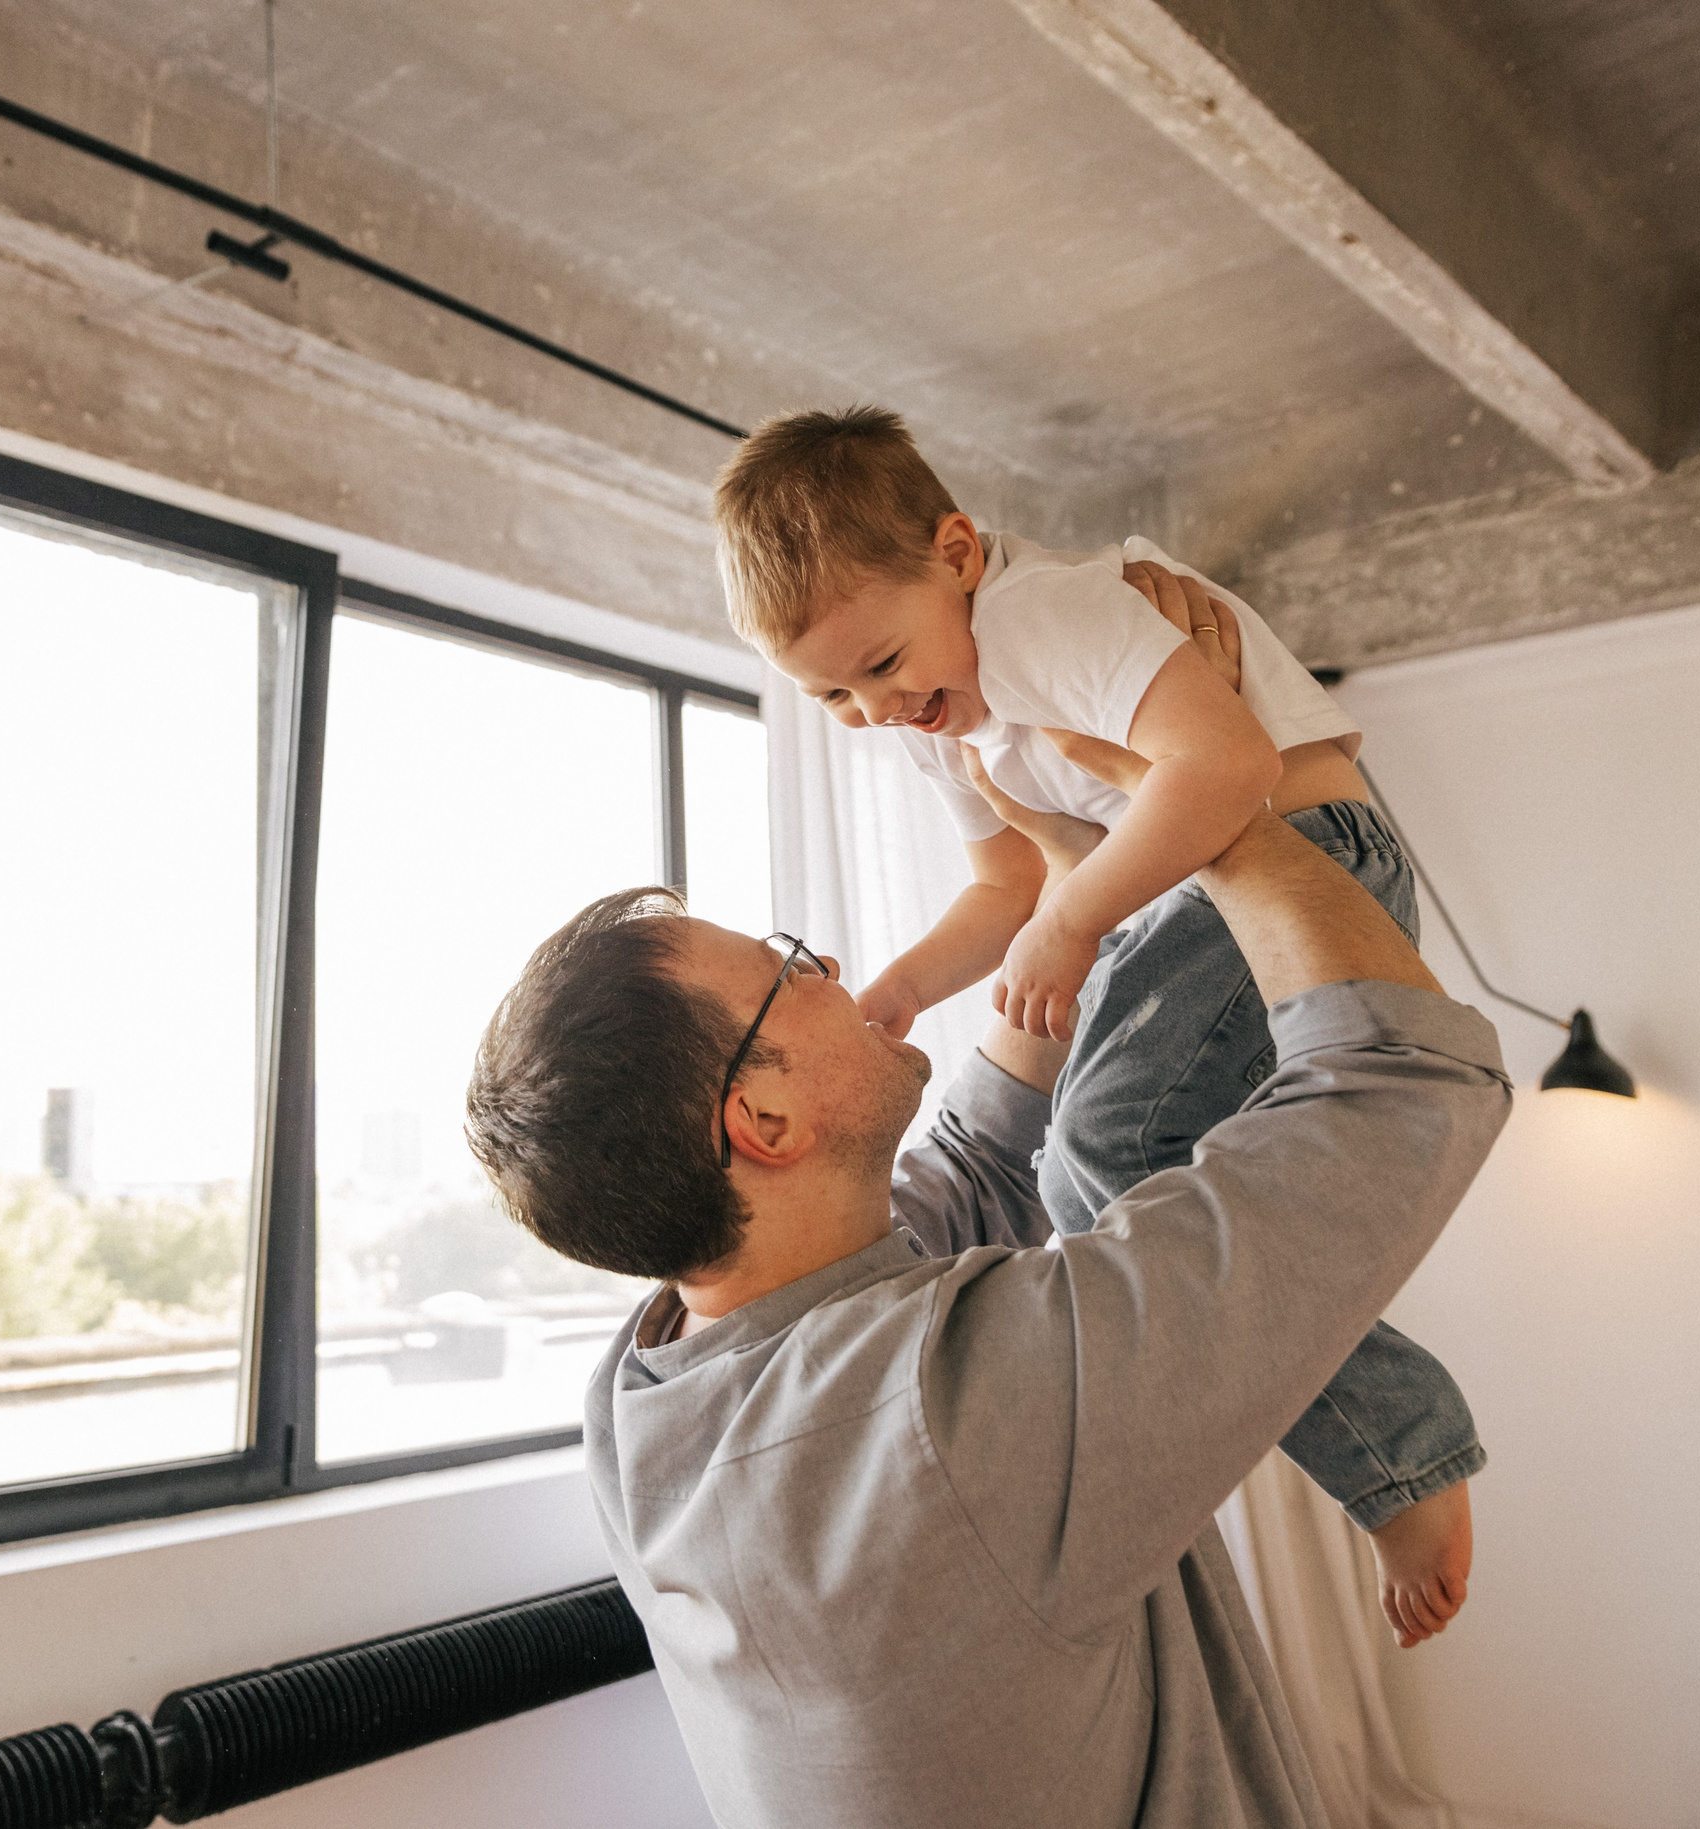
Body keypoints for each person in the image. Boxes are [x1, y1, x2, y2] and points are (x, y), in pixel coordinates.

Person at [462, 662, 1513, 1826]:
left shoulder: (645, 1396)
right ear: (761, 1121)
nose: (827, 970)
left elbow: (966, 1167)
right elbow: (1403, 1083)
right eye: (786, 971)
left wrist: (1080, 881)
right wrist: (1214, 814)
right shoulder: (961, 1420)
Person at [707, 407, 1481, 1640]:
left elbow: (1224, 771)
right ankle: (1383, 1443)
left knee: (1102, 1162)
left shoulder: (1038, 619)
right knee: (1123, 1189)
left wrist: (1075, 928)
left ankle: (1403, 1452)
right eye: (833, 694)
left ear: (958, 552)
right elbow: (1008, 887)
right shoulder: (941, 703)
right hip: (1177, 902)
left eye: (881, 662)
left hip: (1303, 854)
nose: (877, 705)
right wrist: (906, 984)